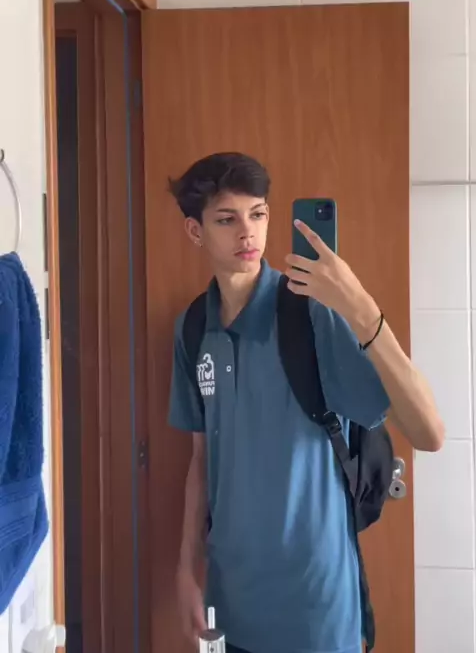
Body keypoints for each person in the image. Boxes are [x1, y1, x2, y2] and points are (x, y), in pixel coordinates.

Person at [167, 152, 444, 653]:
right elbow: (201, 461)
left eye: (257, 214)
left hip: (316, 609)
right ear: (195, 231)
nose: (247, 233)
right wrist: (187, 570)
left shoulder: (310, 313)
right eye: (227, 220)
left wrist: (359, 307)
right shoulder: (193, 328)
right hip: (230, 604)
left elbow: (429, 434)